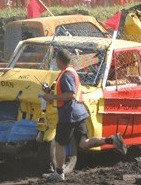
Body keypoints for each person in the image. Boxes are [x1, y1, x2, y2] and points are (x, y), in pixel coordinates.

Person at [41, 48, 127, 182]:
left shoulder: (66, 75)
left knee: (59, 143)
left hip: (69, 114)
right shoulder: (71, 72)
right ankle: (111, 139)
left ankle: (59, 173)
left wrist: (52, 97)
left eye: (56, 60)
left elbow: (69, 94)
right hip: (79, 112)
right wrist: (50, 91)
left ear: (58, 60)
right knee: (84, 143)